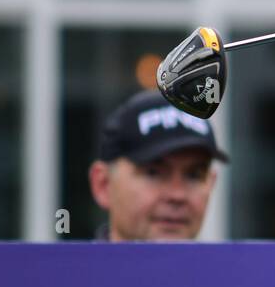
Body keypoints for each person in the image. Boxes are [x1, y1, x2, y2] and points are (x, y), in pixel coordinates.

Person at [88, 89, 228, 241]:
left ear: (212, 185)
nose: (177, 195)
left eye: (194, 175)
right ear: (103, 184)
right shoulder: (69, 265)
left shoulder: (240, 265)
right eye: (153, 172)